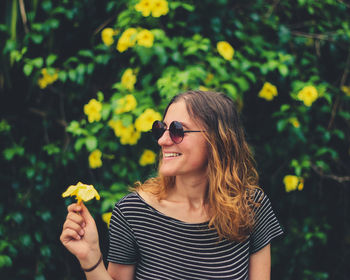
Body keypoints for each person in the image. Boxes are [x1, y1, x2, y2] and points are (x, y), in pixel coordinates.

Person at [60, 90, 283, 280]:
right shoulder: (133, 213)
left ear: (217, 140)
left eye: (177, 130)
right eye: (161, 129)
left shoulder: (251, 207)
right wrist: (90, 258)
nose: (163, 140)